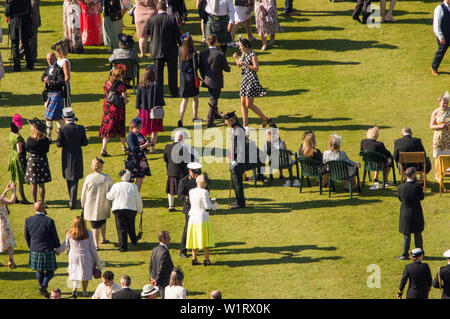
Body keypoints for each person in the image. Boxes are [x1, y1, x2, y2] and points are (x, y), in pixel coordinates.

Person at [144, 0, 181, 98]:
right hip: (171, 50)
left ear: (157, 8)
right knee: (172, 73)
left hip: (156, 50)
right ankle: (174, 91)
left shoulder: (152, 19)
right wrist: (181, 44)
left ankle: (158, 92)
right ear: (166, 8)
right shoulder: (172, 19)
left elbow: (146, 32)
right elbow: (178, 35)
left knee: (158, 74)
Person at [56, 216, 99, 298]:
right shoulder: (88, 233)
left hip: (73, 256)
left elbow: (65, 245)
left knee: (74, 272)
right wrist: (96, 259)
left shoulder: (69, 233)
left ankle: (75, 287)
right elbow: (92, 248)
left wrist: (58, 251)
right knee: (85, 275)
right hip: (85, 256)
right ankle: (84, 292)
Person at [25, 201, 61, 299]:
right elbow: (54, 236)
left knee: (39, 271)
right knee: (51, 271)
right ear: (44, 208)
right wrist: (57, 247)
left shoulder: (28, 220)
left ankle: (43, 289)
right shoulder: (49, 221)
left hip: (35, 249)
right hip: (47, 249)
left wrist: (31, 247)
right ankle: (43, 286)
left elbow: (26, 237)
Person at [233, 38, 270, 129]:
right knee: (242, 102)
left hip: (251, 80)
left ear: (246, 46)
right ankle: (245, 125)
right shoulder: (244, 53)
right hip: (244, 79)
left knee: (249, 104)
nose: (240, 48)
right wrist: (237, 58)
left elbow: (256, 68)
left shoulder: (253, 55)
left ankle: (265, 119)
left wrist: (246, 64)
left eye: (240, 46)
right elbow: (239, 65)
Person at [56, 108, 89, 210]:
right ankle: (72, 199)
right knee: (74, 179)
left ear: (64, 118)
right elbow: (85, 143)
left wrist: (58, 135)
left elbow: (59, 144)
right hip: (77, 155)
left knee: (69, 177)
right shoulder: (80, 128)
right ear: (73, 117)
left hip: (66, 156)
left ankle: (72, 201)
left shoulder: (62, 130)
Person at [106, 169, 143, 252]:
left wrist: (107, 192)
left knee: (121, 228)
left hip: (118, 209)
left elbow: (109, 197)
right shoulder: (134, 187)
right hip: (131, 209)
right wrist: (140, 210)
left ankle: (123, 247)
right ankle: (134, 240)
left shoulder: (116, 186)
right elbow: (138, 200)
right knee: (131, 226)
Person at [81, 157, 114, 250]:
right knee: (103, 221)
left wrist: (82, 202)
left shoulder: (89, 178)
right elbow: (112, 191)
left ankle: (96, 244)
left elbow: (84, 192)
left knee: (94, 224)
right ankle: (103, 238)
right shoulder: (106, 178)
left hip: (91, 204)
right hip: (103, 203)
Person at [199, 34, 231, 128]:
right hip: (216, 81)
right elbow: (226, 68)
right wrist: (229, 67)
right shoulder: (219, 53)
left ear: (208, 42)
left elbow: (200, 68)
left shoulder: (203, 53)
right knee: (213, 100)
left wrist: (204, 77)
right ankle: (209, 121)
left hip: (207, 80)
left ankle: (215, 114)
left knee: (213, 98)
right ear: (216, 41)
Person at [164, 130, 198, 212]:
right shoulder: (183, 147)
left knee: (171, 191)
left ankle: (171, 206)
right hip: (182, 173)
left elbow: (165, 159)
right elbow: (190, 158)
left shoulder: (167, 146)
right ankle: (187, 206)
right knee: (185, 190)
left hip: (171, 172)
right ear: (180, 137)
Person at [99, 64, 129, 157]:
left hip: (107, 107)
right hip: (118, 109)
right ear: (120, 75)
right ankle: (123, 146)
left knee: (107, 127)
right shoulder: (121, 85)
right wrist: (126, 100)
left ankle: (104, 148)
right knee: (120, 127)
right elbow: (125, 99)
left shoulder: (107, 82)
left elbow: (106, 93)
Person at [186, 174, 216, 266]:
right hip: (202, 218)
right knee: (205, 240)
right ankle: (206, 260)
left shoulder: (191, 191)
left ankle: (194, 259)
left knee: (194, 238)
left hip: (193, 217)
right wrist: (213, 203)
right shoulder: (204, 192)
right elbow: (207, 207)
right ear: (205, 184)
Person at [396, 167, 425, 261]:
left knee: (406, 235)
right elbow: (421, 197)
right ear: (413, 175)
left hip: (405, 212)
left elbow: (400, 198)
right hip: (416, 212)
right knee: (418, 234)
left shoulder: (400, 187)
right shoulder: (417, 187)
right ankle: (420, 253)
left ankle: (404, 254)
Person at [135, 65, 165, 153]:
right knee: (154, 131)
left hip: (143, 111)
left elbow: (138, 100)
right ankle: (152, 148)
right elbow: (160, 99)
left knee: (144, 131)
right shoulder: (156, 85)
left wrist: (138, 110)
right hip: (154, 111)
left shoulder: (140, 85)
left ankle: (144, 148)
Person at [178, 162, 202, 257]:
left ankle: (194, 247)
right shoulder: (184, 181)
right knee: (187, 229)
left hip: (199, 208)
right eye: (194, 173)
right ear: (189, 171)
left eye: (198, 173)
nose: (196, 175)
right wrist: (189, 198)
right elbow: (180, 196)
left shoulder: (200, 179)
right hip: (189, 208)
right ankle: (183, 250)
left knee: (198, 228)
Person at [25, 118, 52, 204]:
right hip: (42, 161)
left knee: (34, 184)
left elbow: (27, 149)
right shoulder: (45, 140)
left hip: (32, 162)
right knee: (41, 184)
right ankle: (42, 202)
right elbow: (47, 150)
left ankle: (35, 202)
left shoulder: (29, 140)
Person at [225, 111, 247, 209]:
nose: (226, 123)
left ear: (232, 120)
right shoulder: (235, 128)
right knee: (235, 181)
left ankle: (241, 203)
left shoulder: (238, 130)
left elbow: (241, 148)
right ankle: (238, 200)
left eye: (227, 121)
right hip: (235, 159)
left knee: (238, 182)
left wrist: (236, 161)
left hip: (239, 160)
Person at [41, 52, 66, 141]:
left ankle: (61, 137)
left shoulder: (59, 69)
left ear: (54, 58)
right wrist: (44, 79)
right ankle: (49, 137)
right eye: (47, 59)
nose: (48, 61)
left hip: (57, 94)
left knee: (56, 117)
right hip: (50, 94)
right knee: (51, 117)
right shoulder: (49, 68)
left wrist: (50, 82)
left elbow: (62, 82)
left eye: (50, 59)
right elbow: (43, 77)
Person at [360, 126, 393, 190]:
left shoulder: (363, 142)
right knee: (390, 160)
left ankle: (376, 178)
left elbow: (361, 151)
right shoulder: (379, 144)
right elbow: (387, 154)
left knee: (377, 159)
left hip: (368, 162)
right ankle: (385, 178)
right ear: (377, 135)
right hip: (378, 163)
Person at [178, 34, 200, 127]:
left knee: (185, 100)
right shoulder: (193, 53)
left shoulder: (180, 50)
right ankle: (195, 116)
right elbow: (196, 67)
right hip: (192, 78)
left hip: (183, 78)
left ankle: (181, 119)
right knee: (195, 97)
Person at [5, 0, 34, 71]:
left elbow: (7, 12)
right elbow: (29, 7)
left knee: (15, 44)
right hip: (25, 19)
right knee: (26, 43)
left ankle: (17, 66)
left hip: (15, 20)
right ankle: (30, 64)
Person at [8, 114, 30, 204]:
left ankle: (14, 197)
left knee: (13, 177)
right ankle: (23, 199)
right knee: (20, 179)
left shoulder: (11, 134)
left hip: (12, 157)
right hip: (17, 158)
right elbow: (19, 150)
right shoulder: (18, 137)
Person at [126, 117, 152, 190]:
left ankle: (136, 195)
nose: (141, 127)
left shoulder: (139, 134)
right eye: (140, 126)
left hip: (141, 158)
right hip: (134, 159)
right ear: (135, 126)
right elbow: (133, 148)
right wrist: (144, 145)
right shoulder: (130, 136)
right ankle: (133, 195)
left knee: (140, 178)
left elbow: (143, 144)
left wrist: (148, 144)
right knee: (132, 179)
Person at [430, 92, 450, 180]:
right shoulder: (436, 112)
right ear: (439, 102)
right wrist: (440, 126)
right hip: (439, 138)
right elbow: (431, 126)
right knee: (437, 157)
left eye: (447, 103)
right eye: (443, 103)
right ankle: (437, 175)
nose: (445, 105)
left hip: (449, 138)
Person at [149, 231, 174, 299]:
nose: (170, 239)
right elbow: (162, 268)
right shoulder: (164, 251)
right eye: (168, 237)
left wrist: (152, 278)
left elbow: (151, 265)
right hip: (163, 282)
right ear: (163, 239)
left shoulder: (155, 249)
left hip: (156, 281)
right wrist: (156, 280)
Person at [0, 182, 18, 269]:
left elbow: (1, 199)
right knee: (9, 242)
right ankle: (11, 260)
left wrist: (5, 191)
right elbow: (12, 201)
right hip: (3, 223)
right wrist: (14, 190)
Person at [432, 0, 450, 76]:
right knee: (441, 52)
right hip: (444, 35)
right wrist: (440, 36)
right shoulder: (439, 8)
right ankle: (434, 67)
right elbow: (436, 24)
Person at [52, 40, 72, 107]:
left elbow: (67, 77)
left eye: (57, 50)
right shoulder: (58, 59)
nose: (56, 52)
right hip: (58, 84)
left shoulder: (64, 62)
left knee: (65, 103)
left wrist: (62, 85)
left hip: (63, 86)